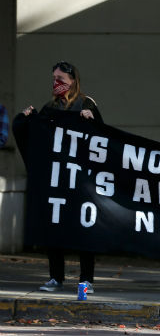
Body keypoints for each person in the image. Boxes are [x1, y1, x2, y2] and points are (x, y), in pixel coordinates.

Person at [21, 61, 102, 293]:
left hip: (80, 180)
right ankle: (56, 277)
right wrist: (29, 120)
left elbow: (104, 141)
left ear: (73, 80)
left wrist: (92, 120)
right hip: (57, 179)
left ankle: (86, 280)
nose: (57, 83)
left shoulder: (87, 104)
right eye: (54, 78)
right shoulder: (50, 107)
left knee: (84, 229)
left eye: (62, 79)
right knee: (53, 226)